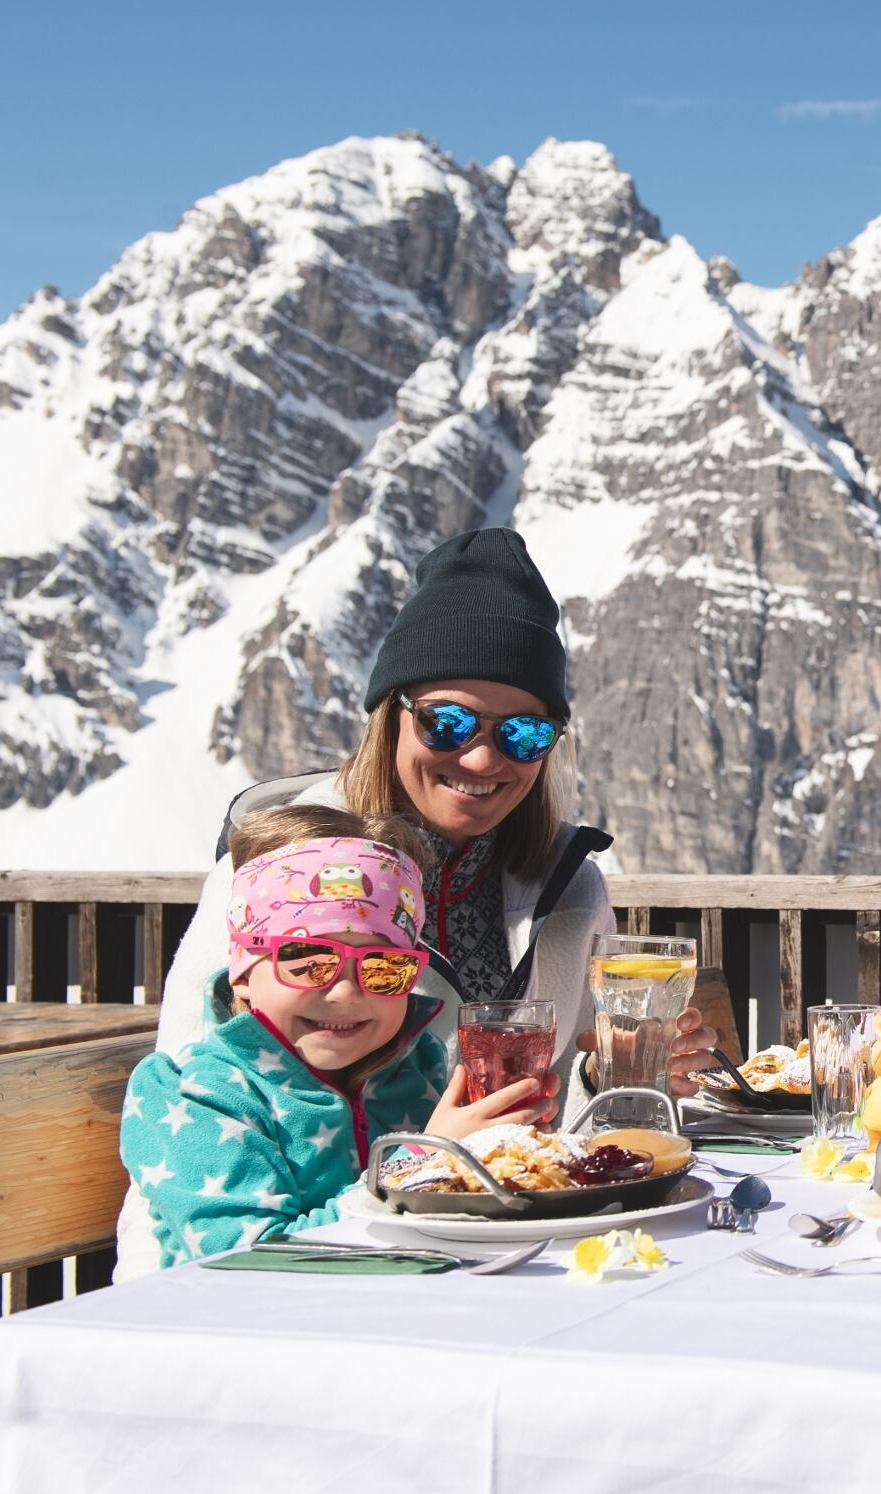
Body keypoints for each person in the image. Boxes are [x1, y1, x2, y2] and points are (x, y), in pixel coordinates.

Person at [117, 527, 716, 1277]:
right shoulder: (281, 867)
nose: (482, 757)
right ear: (389, 714)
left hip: (463, 1260)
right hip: (231, 1291)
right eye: (448, 720)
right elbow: (204, 1116)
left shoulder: (569, 886)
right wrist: (432, 1163)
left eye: (524, 733)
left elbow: (534, 1138)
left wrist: (609, 1082)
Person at [121, 809, 549, 1263]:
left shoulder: (415, 1065)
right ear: (243, 972)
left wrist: (502, 1151)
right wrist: (423, 1160)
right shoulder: (197, 1094)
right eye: (309, 961)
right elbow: (249, 1258)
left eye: (383, 967)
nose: (345, 992)